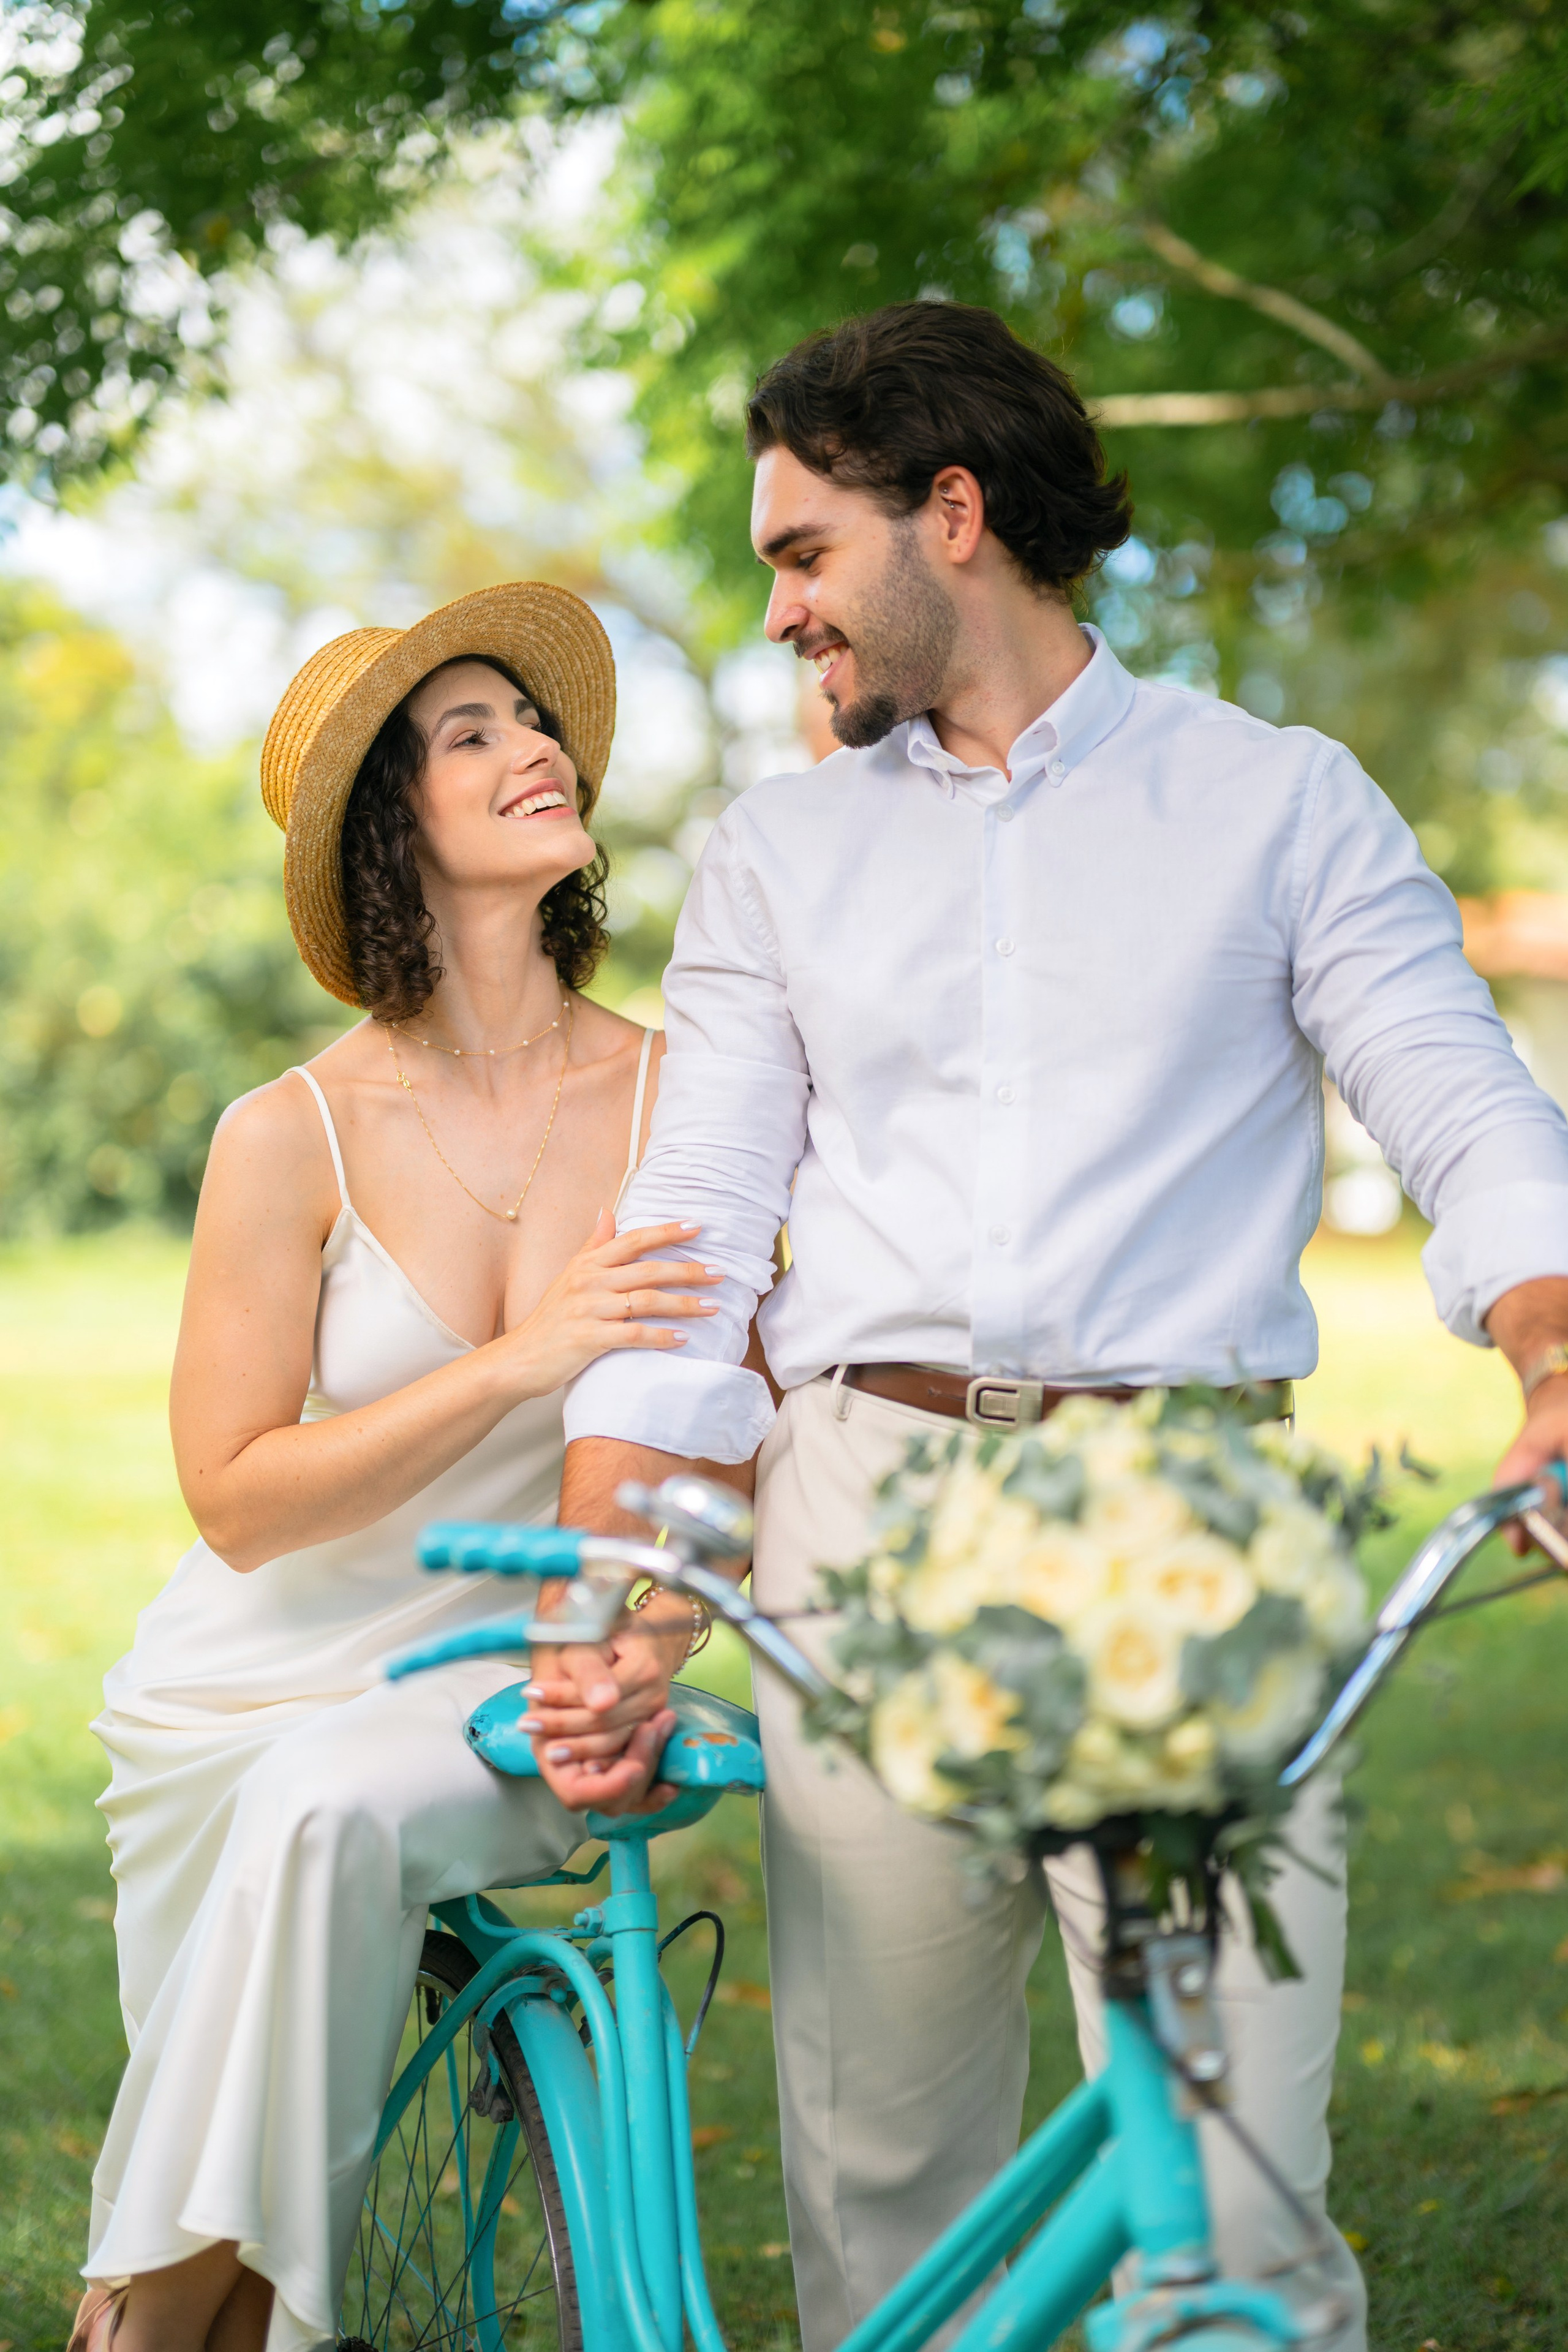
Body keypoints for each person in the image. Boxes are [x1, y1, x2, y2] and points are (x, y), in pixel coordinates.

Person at [525, 304, 1568, 2352]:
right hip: (863, 1512)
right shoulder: (777, 855)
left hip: (1181, 1521)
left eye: (802, 555)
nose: (779, 616)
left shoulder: (1277, 803)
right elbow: (698, 1240)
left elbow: (1464, 1102)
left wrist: (1555, 1355)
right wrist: (619, 1591)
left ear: (957, 514)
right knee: (890, 2198)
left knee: (1233, 2193)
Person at [73, 583, 722, 2352]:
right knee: (293, 1815)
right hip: (234, 1697)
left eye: (532, 719)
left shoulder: (689, 1094)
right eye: (471, 735)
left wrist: (651, 1639)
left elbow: (727, 1421)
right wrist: (522, 1359)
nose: (534, 750)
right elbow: (235, 1493)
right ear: (392, 831)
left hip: (504, 1674)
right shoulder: (285, 1136)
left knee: (339, 1807)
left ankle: (135, 2326)